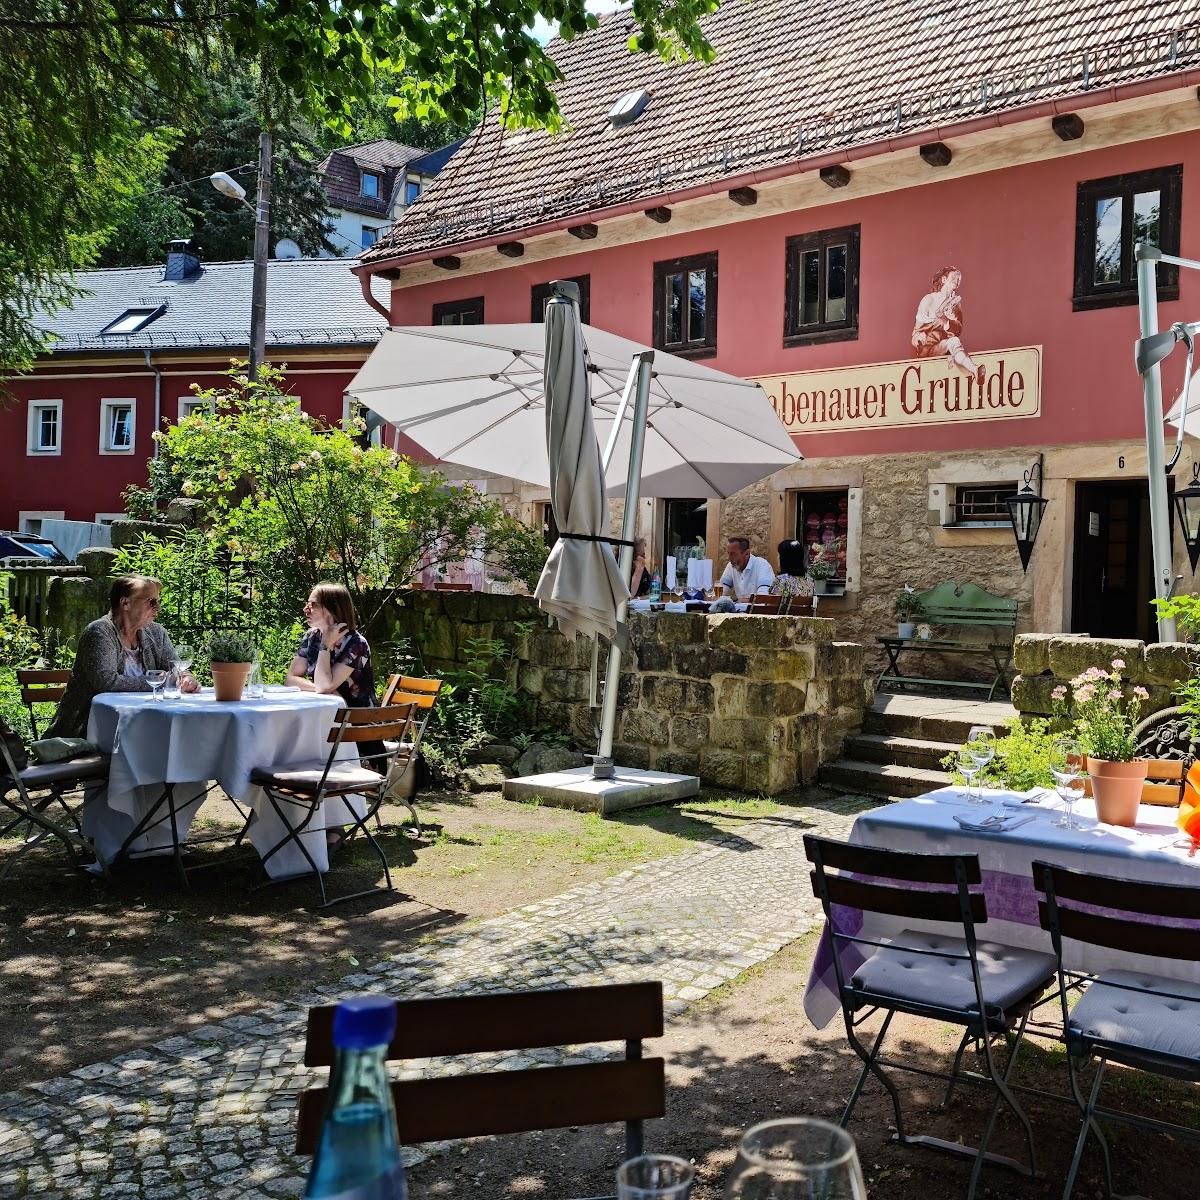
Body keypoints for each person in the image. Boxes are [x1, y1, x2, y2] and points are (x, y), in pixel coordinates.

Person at [46, 575, 199, 740]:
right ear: (125, 603)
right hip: (90, 731)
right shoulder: (99, 632)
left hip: (141, 724)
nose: (158, 608)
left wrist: (186, 678)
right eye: (151, 602)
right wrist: (161, 682)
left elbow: (174, 669)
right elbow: (106, 682)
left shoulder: (156, 632)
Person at [911, 266, 984, 386]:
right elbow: (916, 332)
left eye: (959, 278)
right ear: (944, 279)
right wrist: (919, 338)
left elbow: (957, 330)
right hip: (927, 350)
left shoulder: (955, 304)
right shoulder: (929, 299)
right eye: (954, 277)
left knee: (954, 341)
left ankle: (975, 369)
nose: (957, 279)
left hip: (943, 348)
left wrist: (947, 322)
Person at [712, 537, 775, 612]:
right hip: (739, 615)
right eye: (728, 553)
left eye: (733, 554)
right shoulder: (731, 565)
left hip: (758, 615)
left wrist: (745, 600)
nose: (729, 558)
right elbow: (721, 592)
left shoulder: (762, 565)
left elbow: (763, 598)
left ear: (747, 553)